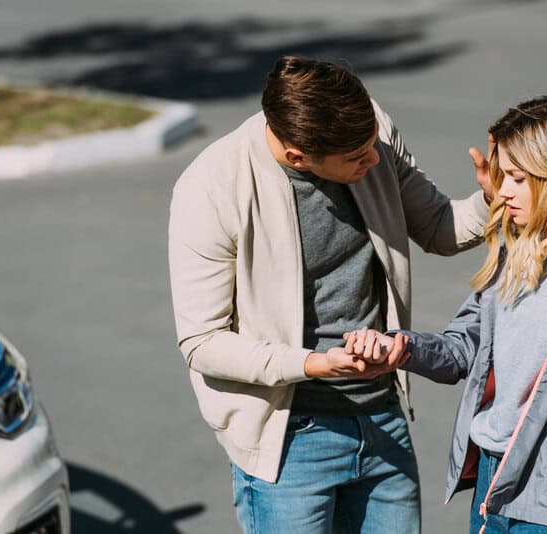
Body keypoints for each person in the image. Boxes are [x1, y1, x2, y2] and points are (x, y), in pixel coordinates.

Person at [168, 55, 492, 533]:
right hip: (289, 439)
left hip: (381, 417)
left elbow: (440, 228)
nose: (376, 160)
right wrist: (314, 364)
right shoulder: (212, 188)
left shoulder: (371, 130)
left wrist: (492, 199)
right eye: (357, 158)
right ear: (298, 155)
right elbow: (202, 342)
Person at [344, 95, 547, 534]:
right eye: (503, 176)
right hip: (492, 483)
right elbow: (465, 349)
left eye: (518, 178)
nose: (503, 191)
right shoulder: (518, 246)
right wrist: (402, 347)